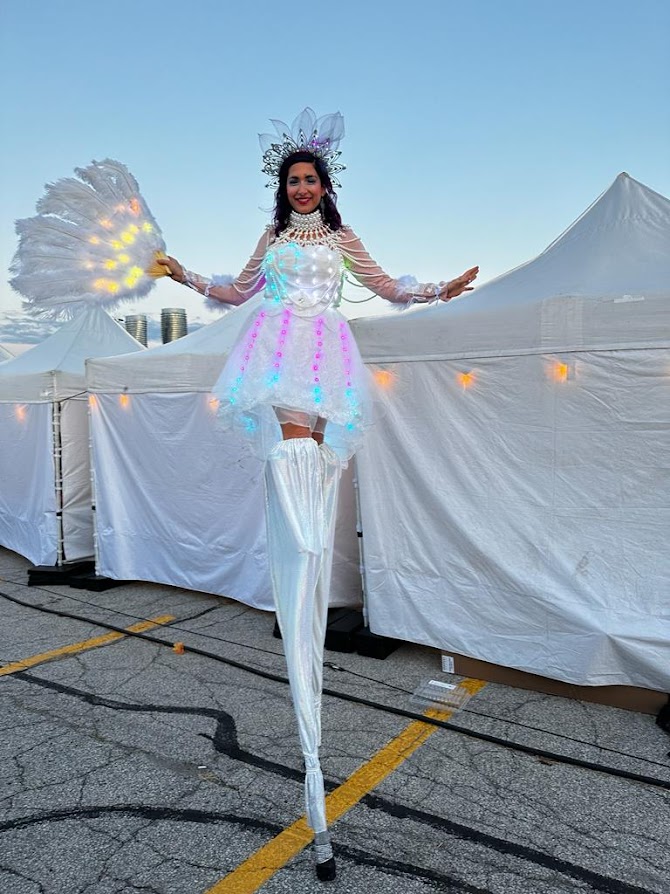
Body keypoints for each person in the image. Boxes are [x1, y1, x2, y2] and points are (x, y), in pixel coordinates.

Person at [158, 108, 478, 881]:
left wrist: (443, 288)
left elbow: (388, 286)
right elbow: (236, 291)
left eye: (311, 180)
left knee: (322, 463)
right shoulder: (272, 239)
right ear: (284, 189)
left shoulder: (341, 238)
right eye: (293, 181)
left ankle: (308, 558)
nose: (302, 188)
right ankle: (300, 552)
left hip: (328, 349)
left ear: (325, 187)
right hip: (277, 349)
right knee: (295, 456)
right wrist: (182, 275)